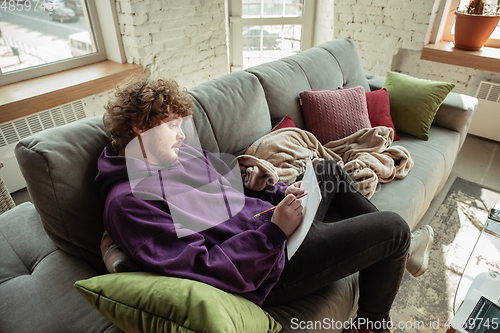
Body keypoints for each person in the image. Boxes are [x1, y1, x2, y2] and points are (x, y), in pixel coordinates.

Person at [95, 76, 434, 333]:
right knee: (393, 229)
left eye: (181, 125)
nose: (182, 135)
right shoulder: (129, 203)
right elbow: (202, 267)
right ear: (139, 128)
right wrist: (273, 233)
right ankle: (372, 322)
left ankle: (398, 251)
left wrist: (284, 194)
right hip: (265, 271)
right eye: (172, 126)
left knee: (325, 168)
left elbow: (238, 194)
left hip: (273, 230)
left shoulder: (176, 155)